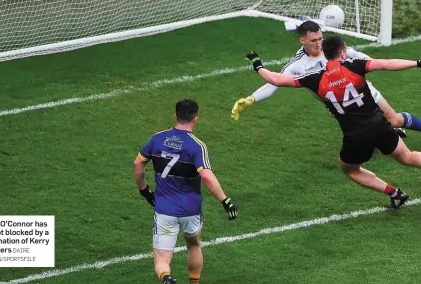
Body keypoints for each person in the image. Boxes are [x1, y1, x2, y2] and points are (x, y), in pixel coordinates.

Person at [245, 36, 421, 208]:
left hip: (355, 137)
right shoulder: (355, 65)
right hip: (380, 126)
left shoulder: (314, 79)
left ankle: (394, 193)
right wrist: (417, 63)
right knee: (408, 157)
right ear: (343, 53)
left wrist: (258, 65)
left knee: (350, 170)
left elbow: (275, 79)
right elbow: (387, 64)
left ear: (325, 54)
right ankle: (396, 193)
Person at [232, 21, 421, 137]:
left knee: (394, 120)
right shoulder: (298, 65)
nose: (319, 44)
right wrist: (250, 99)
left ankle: (389, 129)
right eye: (314, 41)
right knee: (366, 133)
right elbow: (274, 83)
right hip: (339, 105)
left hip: (363, 93)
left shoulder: (332, 48)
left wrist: (372, 64)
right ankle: (385, 132)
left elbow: (362, 57)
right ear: (302, 41)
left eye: (320, 39)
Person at [133, 99, 238, 284]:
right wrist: (225, 200)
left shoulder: (157, 138)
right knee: (194, 244)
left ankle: (166, 278)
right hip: (191, 210)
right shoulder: (197, 146)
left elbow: (138, 163)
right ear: (195, 119)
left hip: (164, 208)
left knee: (162, 260)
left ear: (175, 116)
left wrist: (144, 190)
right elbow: (206, 176)